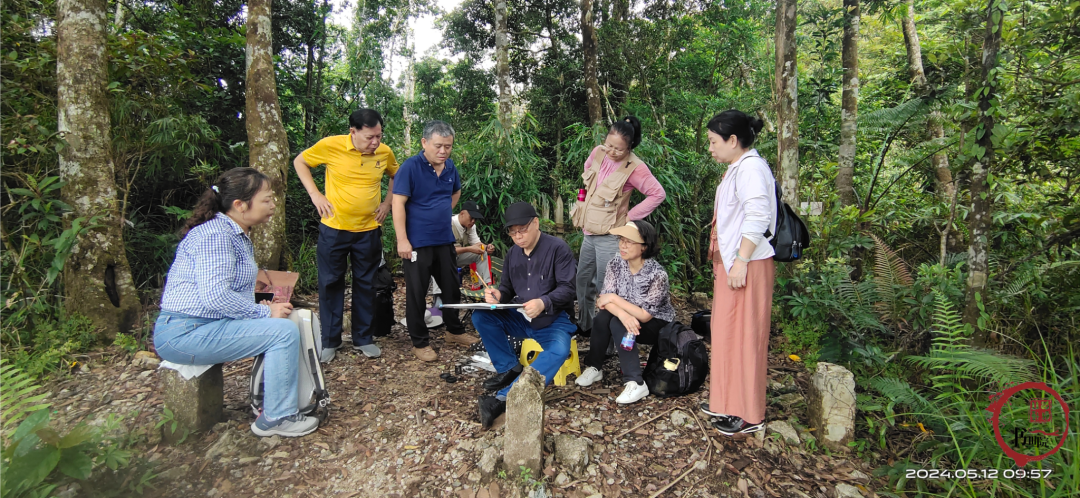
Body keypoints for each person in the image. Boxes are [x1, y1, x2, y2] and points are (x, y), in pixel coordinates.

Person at [154, 168, 318, 438]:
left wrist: (271, 299)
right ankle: (277, 417)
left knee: (288, 319)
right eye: (266, 199)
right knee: (283, 332)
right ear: (240, 205)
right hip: (184, 333)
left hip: (206, 325)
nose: (273, 204)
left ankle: (279, 401)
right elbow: (215, 296)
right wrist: (263, 311)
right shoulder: (216, 235)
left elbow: (232, 291)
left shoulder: (235, 233)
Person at [294, 108, 397, 362]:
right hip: (334, 229)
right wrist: (315, 194)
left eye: (379, 136)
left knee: (366, 283)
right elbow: (300, 162)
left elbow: (396, 175)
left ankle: (363, 337)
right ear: (353, 132)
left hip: (368, 231)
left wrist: (387, 203)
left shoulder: (384, 152)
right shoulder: (331, 146)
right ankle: (330, 340)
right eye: (369, 137)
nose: (376, 142)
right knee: (330, 283)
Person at [702, 110, 776, 436]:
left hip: (748, 265)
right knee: (727, 334)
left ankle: (748, 413)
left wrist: (742, 260)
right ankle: (726, 401)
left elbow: (758, 216)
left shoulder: (752, 169)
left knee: (746, 337)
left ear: (733, 141)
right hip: (732, 264)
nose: (710, 148)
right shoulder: (737, 168)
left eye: (713, 142)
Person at [474, 202, 577, 428]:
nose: (518, 237)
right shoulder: (513, 254)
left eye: (522, 230)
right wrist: (497, 295)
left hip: (553, 318)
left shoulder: (558, 249)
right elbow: (508, 288)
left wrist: (544, 302)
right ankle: (509, 368)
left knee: (559, 350)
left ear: (536, 223)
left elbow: (569, 288)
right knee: (481, 316)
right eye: (513, 233)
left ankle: (507, 396)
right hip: (520, 315)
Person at [392, 120, 477, 362]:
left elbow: (456, 192)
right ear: (424, 143)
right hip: (417, 241)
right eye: (438, 146)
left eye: (448, 146)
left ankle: (454, 331)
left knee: (451, 288)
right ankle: (419, 342)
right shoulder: (410, 167)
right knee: (417, 293)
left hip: (444, 240)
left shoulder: (450, 168)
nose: (443, 151)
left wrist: (441, 210)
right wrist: (402, 240)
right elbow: (398, 204)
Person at [574, 116, 666, 339]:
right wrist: (582, 199)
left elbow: (657, 194)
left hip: (610, 237)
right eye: (609, 145)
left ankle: (607, 339)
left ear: (630, 147)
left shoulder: (635, 168)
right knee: (583, 282)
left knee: (608, 289)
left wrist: (628, 219)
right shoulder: (598, 152)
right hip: (589, 233)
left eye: (619, 149)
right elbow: (587, 175)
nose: (612, 152)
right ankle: (585, 326)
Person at [574, 220, 674, 404]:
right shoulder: (615, 263)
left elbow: (645, 315)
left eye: (629, 241)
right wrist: (622, 312)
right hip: (627, 316)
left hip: (657, 324)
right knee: (603, 318)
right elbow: (603, 301)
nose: (622, 245)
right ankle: (594, 367)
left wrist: (615, 299)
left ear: (644, 246)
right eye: (621, 240)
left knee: (616, 322)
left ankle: (636, 381)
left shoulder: (657, 274)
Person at [429, 200, 497, 303]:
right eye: (471, 218)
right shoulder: (448, 223)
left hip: (456, 257)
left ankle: (486, 288)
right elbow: (447, 250)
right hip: (442, 258)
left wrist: (487, 247)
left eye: (475, 219)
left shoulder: (470, 227)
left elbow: (477, 244)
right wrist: (469, 248)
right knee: (441, 258)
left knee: (482, 253)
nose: (473, 221)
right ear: (462, 214)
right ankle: (438, 296)